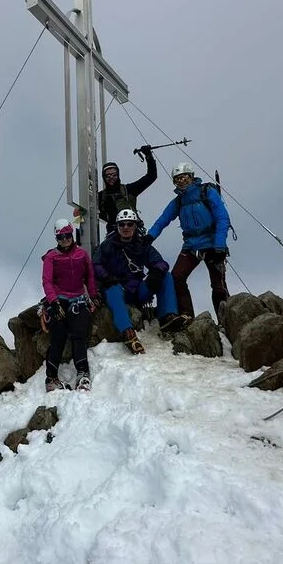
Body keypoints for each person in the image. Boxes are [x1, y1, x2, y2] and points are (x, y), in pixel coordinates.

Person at [145, 162, 232, 326]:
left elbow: (222, 218)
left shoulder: (207, 192)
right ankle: (187, 316)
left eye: (184, 177)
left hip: (212, 244)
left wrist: (219, 246)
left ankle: (225, 322)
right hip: (191, 245)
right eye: (177, 179)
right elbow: (162, 220)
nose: (181, 181)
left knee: (218, 285)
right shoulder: (178, 202)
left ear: (191, 177)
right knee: (176, 277)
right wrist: (150, 236)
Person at [92, 209, 181, 355]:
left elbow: (159, 261)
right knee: (112, 289)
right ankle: (127, 332)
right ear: (117, 226)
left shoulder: (142, 245)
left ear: (135, 226)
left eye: (129, 224)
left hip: (138, 290)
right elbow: (95, 264)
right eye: (122, 224)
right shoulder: (107, 245)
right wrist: (106, 276)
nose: (126, 227)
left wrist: (157, 272)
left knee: (166, 276)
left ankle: (168, 316)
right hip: (118, 288)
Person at [41, 219, 98, 391]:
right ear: (56, 238)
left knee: (79, 336)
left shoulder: (82, 255)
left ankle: (83, 374)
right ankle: (51, 379)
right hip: (58, 301)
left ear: (72, 235)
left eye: (67, 236)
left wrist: (94, 297)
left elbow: (89, 277)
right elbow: (47, 281)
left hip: (78, 300)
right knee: (57, 338)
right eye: (60, 237)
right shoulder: (51, 257)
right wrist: (53, 302)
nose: (64, 240)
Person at [98, 146, 158, 237]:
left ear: (118, 175)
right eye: (108, 176)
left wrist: (148, 156)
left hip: (133, 234)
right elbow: (88, 209)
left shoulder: (129, 190)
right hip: (113, 236)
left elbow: (151, 176)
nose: (111, 178)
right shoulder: (100, 196)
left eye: (114, 175)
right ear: (104, 177)